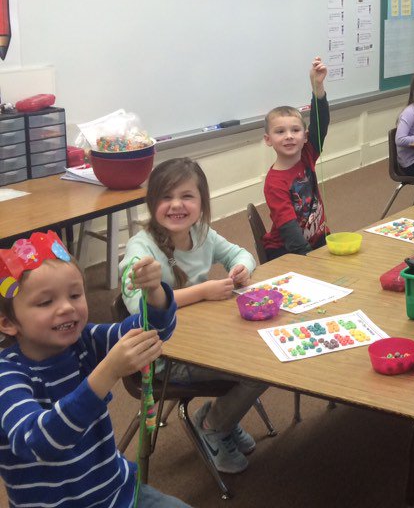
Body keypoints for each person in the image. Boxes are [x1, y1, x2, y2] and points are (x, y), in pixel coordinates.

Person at [0, 232, 186, 507]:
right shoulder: (7, 376)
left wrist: (155, 292)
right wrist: (107, 372)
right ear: (7, 323)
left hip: (118, 492)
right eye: (45, 302)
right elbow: (39, 442)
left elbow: (151, 331)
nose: (67, 307)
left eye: (75, 295)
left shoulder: (84, 340)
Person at [122, 158, 268, 475]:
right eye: (166, 197)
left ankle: (220, 419)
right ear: (152, 203)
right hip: (163, 357)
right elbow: (138, 308)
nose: (177, 205)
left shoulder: (201, 233)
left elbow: (241, 254)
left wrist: (241, 268)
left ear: (201, 203)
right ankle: (215, 425)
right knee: (259, 370)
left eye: (187, 196)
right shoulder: (140, 248)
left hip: (204, 339)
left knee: (267, 350)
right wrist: (201, 292)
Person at [262, 57, 330, 258]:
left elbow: (321, 122)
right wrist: (313, 260)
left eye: (295, 130)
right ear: (268, 139)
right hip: (286, 251)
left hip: (316, 239)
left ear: (305, 136)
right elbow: (289, 230)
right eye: (280, 132)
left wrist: (317, 87)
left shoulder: (307, 154)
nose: (289, 136)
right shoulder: (274, 183)